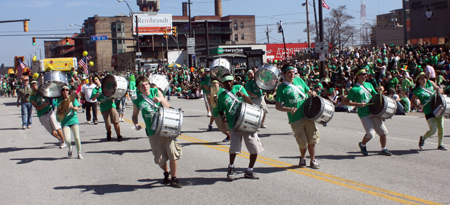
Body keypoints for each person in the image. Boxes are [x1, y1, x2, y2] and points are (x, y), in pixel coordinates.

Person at [132, 76, 182, 188]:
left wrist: (161, 100)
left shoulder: (156, 91)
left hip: (165, 127)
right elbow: (134, 116)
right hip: (152, 131)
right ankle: (166, 172)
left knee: (172, 153)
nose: (145, 86)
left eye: (146, 84)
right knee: (159, 159)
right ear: (138, 88)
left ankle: (174, 178)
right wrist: (136, 124)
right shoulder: (137, 101)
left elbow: (168, 107)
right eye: (142, 85)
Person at [218, 74, 264, 180]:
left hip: (247, 122)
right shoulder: (221, 96)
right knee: (234, 148)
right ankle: (231, 167)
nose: (229, 83)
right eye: (226, 82)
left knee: (254, 148)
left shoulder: (239, 88)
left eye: (230, 81)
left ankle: (249, 170)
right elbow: (221, 111)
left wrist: (243, 95)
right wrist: (224, 117)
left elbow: (250, 103)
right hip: (234, 125)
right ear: (223, 84)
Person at [275, 65, 320, 169]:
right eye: (289, 73)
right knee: (303, 142)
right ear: (284, 74)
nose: (292, 74)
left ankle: (313, 160)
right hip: (295, 118)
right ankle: (303, 157)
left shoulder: (299, 80)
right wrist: (289, 109)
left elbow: (308, 91)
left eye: (293, 72)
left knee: (312, 139)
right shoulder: (281, 88)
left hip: (307, 114)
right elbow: (277, 106)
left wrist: (312, 93)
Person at [343, 67, 392, 156]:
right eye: (363, 74)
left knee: (383, 132)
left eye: (366, 74)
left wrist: (381, 90)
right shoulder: (354, 89)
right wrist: (358, 104)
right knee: (370, 134)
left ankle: (383, 149)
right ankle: (362, 144)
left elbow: (376, 96)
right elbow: (346, 102)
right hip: (364, 113)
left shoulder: (369, 85)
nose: (365, 75)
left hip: (374, 111)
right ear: (358, 76)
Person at [411, 72, 447, 150]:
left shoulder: (430, 83)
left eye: (424, 77)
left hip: (437, 107)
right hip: (428, 111)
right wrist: (417, 106)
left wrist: (438, 89)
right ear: (418, 81)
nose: (424, 79)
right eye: (422, 78)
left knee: (441, 126)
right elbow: (412, 100)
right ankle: (423, 138)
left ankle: (440, 144)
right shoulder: (417, 91)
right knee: (433, 130)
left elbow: (439, 91)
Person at [29, 81, 66, 148]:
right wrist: (46, 103)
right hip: (42, 115)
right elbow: (37, 107)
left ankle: (64, 142)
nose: (34, 86)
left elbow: (51, 91)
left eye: (35, 85)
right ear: (31, 87)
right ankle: (60, 139)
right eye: (32, 85)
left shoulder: (42, 92)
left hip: (49, 111)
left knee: (57, 127)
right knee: (52, 132)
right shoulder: (32, 97)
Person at [57, 86, 83, 159]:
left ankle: (79, 153)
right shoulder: (60, 100)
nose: (65, 91)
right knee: (67, 139)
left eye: (66, 90)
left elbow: (77, 109)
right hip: (65, 122)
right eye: (63, 90)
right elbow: (58, 112)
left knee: (77, 138)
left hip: (73, 120)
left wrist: (72, 107)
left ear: (68, 91)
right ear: (61, 92)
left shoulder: (72, 99)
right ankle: (70, 147)